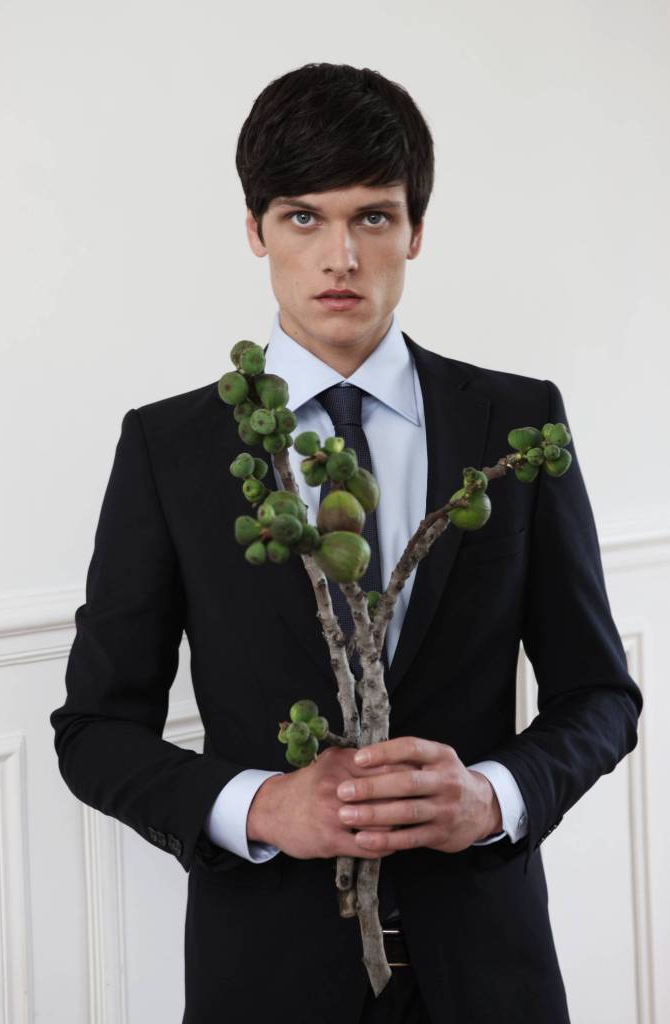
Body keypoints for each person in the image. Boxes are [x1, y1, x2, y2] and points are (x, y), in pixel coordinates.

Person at [50, 63, 643, 1024]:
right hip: (268, 981)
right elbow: (94, 731)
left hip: (489, 974)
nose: (340, 257)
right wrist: (259, 807)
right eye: (302, 218)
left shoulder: (516, 421)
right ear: (255, 231)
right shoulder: (168, 448)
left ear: (415, 230)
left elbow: (599, 696)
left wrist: (493, 796)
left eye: (372, 217)